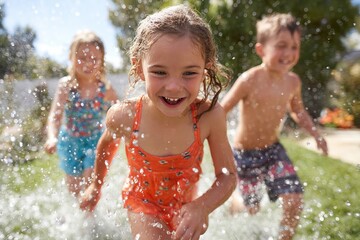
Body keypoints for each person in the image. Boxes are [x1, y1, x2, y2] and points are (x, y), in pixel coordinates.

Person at [80, 5, 237, 240]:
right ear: (139, 68)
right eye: (160, 73)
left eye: (189, 73)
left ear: (207, 69)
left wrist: (202, 206)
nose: (173, 86)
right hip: (142, 203)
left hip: (187, 206)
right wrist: (96, 186)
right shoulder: (124, 116)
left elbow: (227, 176)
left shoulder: (209, 116)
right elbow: (106, 146)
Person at [220, 13, 328, 240]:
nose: (288, 53)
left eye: (294, 47)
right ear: (261, 50)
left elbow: (297, 111)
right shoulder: (250, 79)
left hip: (273, 151)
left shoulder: (292, 82)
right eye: (281, 46)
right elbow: (223, 109)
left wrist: (316, 134)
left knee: (294, 199)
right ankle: (236, 202)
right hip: (245, 154)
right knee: (251, 208)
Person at [44, 30, 118, 202]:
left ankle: (91, 217)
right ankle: (77, 220)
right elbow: (55, 116)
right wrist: (52, 137)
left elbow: (118, 111)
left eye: (94, 59)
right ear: (71, 57)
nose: (88, 63)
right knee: (74, 189)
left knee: (89, 182)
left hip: (95, 141)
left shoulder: (104, 88)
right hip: (70, 141)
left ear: (102, 61)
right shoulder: (66, 85)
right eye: (82, 58)